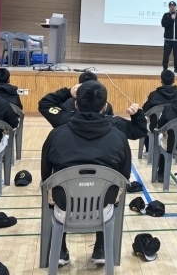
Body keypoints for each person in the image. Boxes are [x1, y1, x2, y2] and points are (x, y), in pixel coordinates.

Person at [41, 80, 132, 266]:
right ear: (105, 107)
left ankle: (59, 250)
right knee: (110, 186)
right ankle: (101, 248)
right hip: (103, 207)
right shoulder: (119, 137)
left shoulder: (56, 135)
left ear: (76, 104)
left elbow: (45, 175)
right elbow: (124, 176)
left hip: (63, 206)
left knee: (56, 185)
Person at [38, 84, 148, 141]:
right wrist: (137, 115)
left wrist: (67, 92)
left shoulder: (64, 120)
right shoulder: (115, 124)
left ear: (76, 105)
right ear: (105, 107)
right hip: (106, 182)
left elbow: (45, 104)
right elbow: (139, 131)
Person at [161, 1, 177, 75]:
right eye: (171, 6)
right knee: (166, 54)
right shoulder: (166, 15)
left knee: (176, 55)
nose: (172, 8)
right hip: (168, 39)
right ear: (169, 7)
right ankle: (165, 68)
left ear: (176, 7)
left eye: (174, 6)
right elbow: (163, 24)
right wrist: (171, 19)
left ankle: (176, 69)